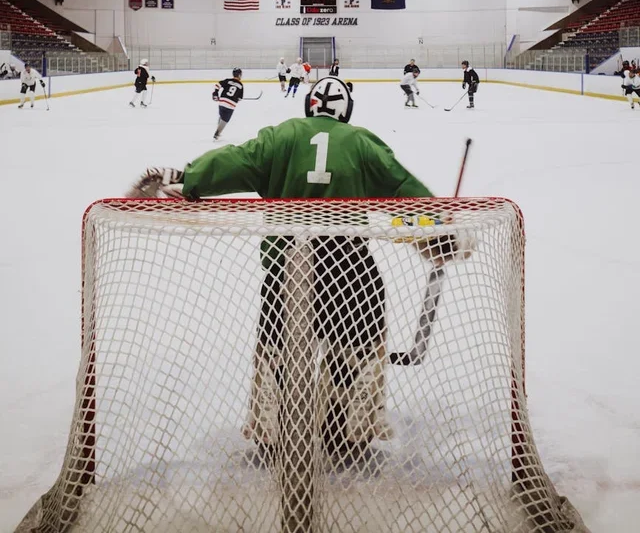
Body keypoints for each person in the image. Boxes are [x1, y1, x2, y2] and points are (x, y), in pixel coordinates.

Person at [127, 77, 470, 458]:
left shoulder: (281, 136)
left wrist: (186, 177)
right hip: (349, 269)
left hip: (286, 270)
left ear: (310, 105)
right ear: (346, 110)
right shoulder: (361, 141)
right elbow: (403, 188)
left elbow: (235, 161)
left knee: (279, 351)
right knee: (354, 348)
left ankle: (273, 429)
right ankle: (346, 430)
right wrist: (439, 230)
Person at [212, 67, 244, 140]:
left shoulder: (228, 80)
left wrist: (215, 93)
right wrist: (236, 98)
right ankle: (217, 134)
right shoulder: (241, 85)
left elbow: (217, 85)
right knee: (225, 120)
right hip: (230, 106)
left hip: (222, 102)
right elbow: (240, 98)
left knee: (221, 116)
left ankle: (218, 129)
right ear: (239, 75)